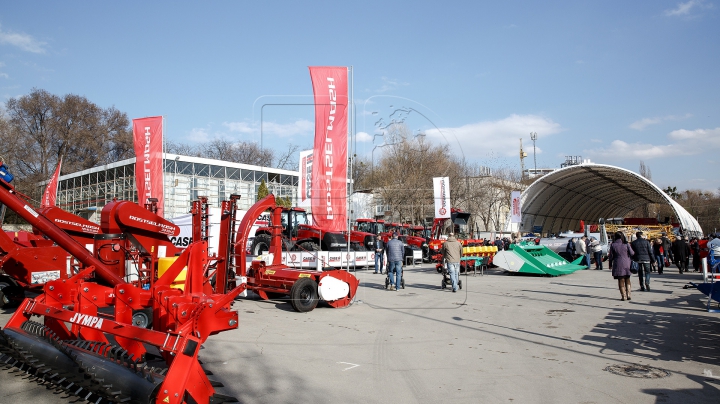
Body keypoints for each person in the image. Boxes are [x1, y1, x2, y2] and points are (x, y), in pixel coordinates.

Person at [608, 231, 634, 301]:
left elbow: (611, 256)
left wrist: (610, 264)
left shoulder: (613, 245)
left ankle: (623, 296)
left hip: (618, 263)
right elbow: (632, 253)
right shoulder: (626, 244)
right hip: (627, 263)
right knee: (627, 279)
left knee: (621, 280)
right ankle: (629, 294)